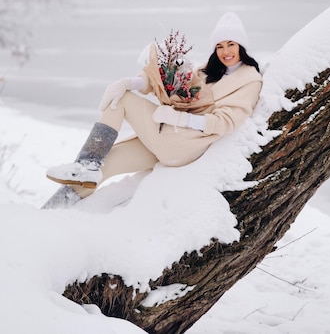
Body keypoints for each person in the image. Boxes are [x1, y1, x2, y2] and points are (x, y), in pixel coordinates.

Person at [43, 12, 263, 208]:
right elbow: (172, 84)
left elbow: (226, 122)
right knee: (106, 164)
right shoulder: (207, 71)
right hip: (166, 141)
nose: (226, 51)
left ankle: (87, 163)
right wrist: (131, 82)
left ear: (241, 46)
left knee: (123, 101)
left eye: (231, 44)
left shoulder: (249, 79)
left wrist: (181, 119)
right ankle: (51, 213)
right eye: (220, 45)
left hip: (185, 144)